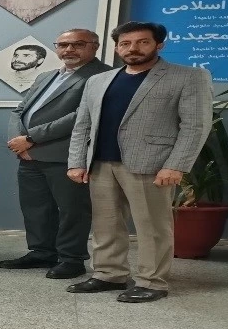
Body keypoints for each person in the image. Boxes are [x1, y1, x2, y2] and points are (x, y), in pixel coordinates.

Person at [67, 21, 212, 302]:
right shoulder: (98, 81)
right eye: (125, 43)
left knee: (152, 227)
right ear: (117, 48)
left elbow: (195, 126)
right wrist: (76, 161)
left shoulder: (188, 77)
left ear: (159, 45)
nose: (132, 48)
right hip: (101, 163)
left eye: (142, 42)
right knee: (105, 224)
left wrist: (176, 165)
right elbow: (82, 125)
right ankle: (108, 274)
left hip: (153, 164)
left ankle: (152, 282)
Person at [0, 29, 113, 279]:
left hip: (66, 156)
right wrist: (19, 142)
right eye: (62, 45)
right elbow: (19, 110)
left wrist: (31, 139)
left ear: (94, 47)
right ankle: (42, 252)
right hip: (29, 155)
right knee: (35, 207)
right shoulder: (47, 75)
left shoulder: (103, 75)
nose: (68, 50)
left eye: (77, 44)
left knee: (73, 210)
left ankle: (72, 259)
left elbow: (82, 116)